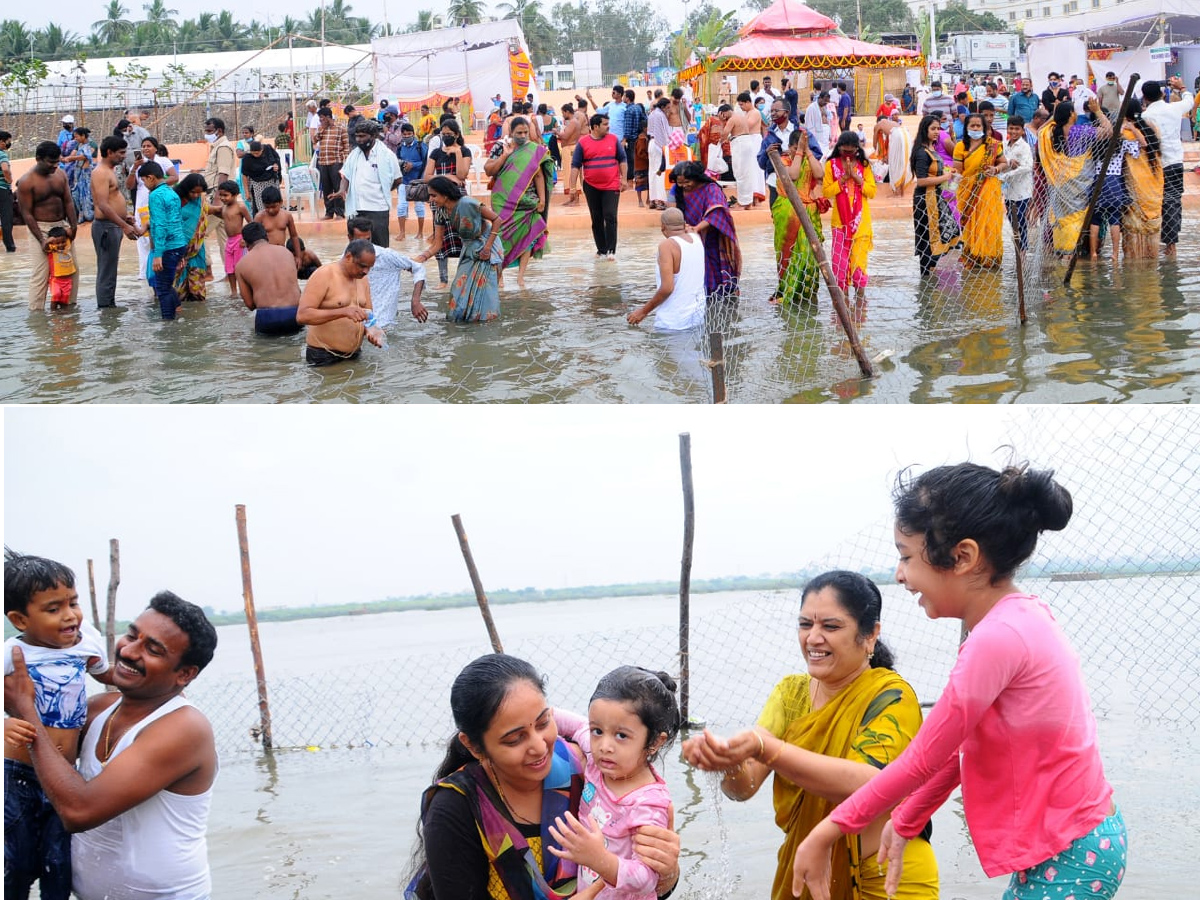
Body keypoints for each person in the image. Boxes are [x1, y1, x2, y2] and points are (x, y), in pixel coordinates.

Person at [793, 463, 1126, 900]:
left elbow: (921, 758)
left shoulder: (997, 639)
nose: (899, 573)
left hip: (1070, 850)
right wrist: (909, 816)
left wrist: (826, 832)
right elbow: (958, 746)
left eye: (907, 556)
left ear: (963, 557)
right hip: (1075, 840)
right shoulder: (1017, 619)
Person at [683, 570, 939, 900]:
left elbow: (871, 783)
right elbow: (742, 788)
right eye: (806, 625)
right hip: (808, 871)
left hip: (888, 876)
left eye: (830, 626)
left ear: (870, 635)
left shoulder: (891, 696)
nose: (813, 638)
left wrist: (768, 749)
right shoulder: (790, 694)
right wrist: (724, 761)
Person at [404, 653, 681, 900]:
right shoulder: (455, 809)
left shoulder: (587, 768)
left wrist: (667, 871)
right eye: (515, 738)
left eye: (543, 723)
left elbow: (643, 884)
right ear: (474, 746)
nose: (539, 746)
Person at [4, 590, 219, 900]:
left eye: (153, 650)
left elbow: (79, 811)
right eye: (131, 635)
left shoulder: (184, 728)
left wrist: (26, 709)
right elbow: (29, 765)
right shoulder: (96, 710)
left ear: (184, 674)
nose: (129, 651)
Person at [4, 549, 113, 900]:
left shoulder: (86, 643)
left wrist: (166, 693)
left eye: (73, 603)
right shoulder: (11, 654)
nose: (70, 616)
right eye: (53, 609)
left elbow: (110, 676)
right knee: (16, 864)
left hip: (64, 775)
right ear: (21, 620)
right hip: (16, 774)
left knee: (59, 865)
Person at [548, 667, 679, 899]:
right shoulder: (598, 759)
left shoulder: (648, 803)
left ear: (654, 743)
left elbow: (646, 880)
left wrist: (599, 859)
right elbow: (574, 725)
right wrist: (539, 715)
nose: (604, 745)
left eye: (621, 736)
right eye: (597, 730)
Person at [414, 176, 503, 323]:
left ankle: (485, 326)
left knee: (485, 294)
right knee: (457, 290)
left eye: (434, 195)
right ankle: (464, 324)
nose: (431, 199)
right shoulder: (440, 212)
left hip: (488, 248)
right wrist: (419, 259)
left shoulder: (468, 203)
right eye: (429, 195)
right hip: (469, 249)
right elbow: (437, 244)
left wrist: (487, 249)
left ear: (445, 194)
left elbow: (497, 220)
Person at [1038, 99, 1113, 256]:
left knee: (1062, 220)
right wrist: (1098, 110)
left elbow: (1039, 130)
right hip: (1079, 186)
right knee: (1075, 219)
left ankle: (1063, 253)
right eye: (1074, 111)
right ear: (1071, 115)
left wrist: (1056, 114)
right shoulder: (1079, 132)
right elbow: (1109, 131)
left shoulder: (1047, 133)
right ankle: (1072, 255)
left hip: (1058, 186)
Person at [296, 239, 385, 365]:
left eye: (369, 268)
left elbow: (368, 315)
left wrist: (372, 331)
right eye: (363, 266)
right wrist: (343, 312)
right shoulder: (324, 275)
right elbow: (302, 316)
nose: (366, 272)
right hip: (324, 355)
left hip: (354, 354)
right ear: (348, 257)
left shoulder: (362, 279)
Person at [485, 117, 553, 281]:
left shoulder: (535, 150)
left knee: (530, 234)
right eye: (519, 133)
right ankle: (499, 277)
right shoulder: (501, 146)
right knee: (500, 236)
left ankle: (520, 277)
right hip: (504, 201)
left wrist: (542, 200)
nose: (522, 136)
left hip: (528, 201)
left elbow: (539, 176)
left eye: (525, 132)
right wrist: (504, 156)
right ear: (511, 132)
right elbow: (488, 169)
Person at [17, 142, 78, 311]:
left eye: (57, 161)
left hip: (62, 226)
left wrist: (73, 227)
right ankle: (36, 315)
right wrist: (41, 239)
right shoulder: (26, 182)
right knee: (40, 275)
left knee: (71, 270)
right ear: (38, 159)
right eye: (51, 162)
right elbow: (27, 214)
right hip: (40, 228)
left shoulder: (61, 175)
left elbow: (68, 201)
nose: (55, 165)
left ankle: (69, 309)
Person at [670, 161, 741, 301]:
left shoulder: (711, 189)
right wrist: (682, 227)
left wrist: (696, 228)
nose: (684, 186)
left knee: (713, 270)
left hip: (710, 238)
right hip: (687, 238)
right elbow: (672, 211)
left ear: (697, 178)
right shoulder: (676, 190)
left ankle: (718, 299)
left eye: (687, 182)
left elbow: (717, 212)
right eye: (680, 183)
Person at [770, 128, 826, 305]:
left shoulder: (810, 160)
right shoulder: (783, 161)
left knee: (810, 254)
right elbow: (793, 176)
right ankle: (786, 290)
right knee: (788, 253)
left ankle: (806, 295)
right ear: (789, 147)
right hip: (788, 215)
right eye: (795, 147)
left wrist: (807, 151)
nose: (797, 150)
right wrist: (799, 152)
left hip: (808, 213)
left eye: (800, 147)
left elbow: (820, 174)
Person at [627, 207, 705, 330]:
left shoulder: (667, 246)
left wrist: (643, 311)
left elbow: (667, 288)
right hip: (698, 318)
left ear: (662, 227)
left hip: (673, 323)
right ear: (684, 224)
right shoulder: (696, 238)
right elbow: (691, 231)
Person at [327, 120, 402, 247]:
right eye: (357, 136)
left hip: (378, 208)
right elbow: (346, 175)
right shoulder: (354, 155)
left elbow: (398, 179)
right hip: (356, 209)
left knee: (380, 248)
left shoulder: (387, 155)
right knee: (357, 249)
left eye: (362, 136)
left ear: (373, 136)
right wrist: (341, 190)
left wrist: (381, 190)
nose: (359, 139)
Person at [1140, 78, 1193, 257]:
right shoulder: (1173, 109)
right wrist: (1182, 87)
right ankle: (1171, 244)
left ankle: (1157, 244)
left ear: (1145, 98)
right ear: (1162, 94)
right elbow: (1189, 101)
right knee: (1173, 201)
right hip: (1175, 162)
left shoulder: (1146, 116)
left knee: (1158, 202)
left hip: (1156, 165)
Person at [823, 131, 876, 300]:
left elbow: (872, 192)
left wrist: (856, 177)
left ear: (856, 150)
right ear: (838, 149)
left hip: (861, 222)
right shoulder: (831, 165)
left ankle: (860, 305)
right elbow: (826, 192)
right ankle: (843, 305)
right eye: (844, 152)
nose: (847, 156)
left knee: (859, 266)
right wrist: (844, 178)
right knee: (839, 266)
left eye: (850, 152)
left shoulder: (864, 165)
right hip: (839, 223)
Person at [346, 217, 427, 327]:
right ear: (350, 238)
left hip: (385, 325)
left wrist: (415, 301)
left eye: (368, 240)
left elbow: (418, 268)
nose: (364, 246)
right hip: (356, 325)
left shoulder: (386, 256)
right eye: (359, 241)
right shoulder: (344, 261)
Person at [89, 135, 140, 309]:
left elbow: (110, 201)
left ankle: (109, 306)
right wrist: (124, 225)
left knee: (110, 270)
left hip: (113, 225)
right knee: (106, 271)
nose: (124, 156)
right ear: (109, 152)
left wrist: (124, 218)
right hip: (106, 228)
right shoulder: (100, 173)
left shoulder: (109, 170)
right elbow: (102, 204)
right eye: (121, 153)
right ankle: (105, 310)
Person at [570, 115, 629, 260]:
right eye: (605, 124)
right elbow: (575, 166)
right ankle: (601, 249)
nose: (608, 126)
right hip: (591, 186)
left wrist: (624, 179)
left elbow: (622, 159)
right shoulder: (583, 143)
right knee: (596, 219)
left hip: (611, 185)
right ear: (595, 127)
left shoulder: (614, 140)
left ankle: (611, 250)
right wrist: (572, 187)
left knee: (610, 216)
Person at [953, 112, 1005, 270]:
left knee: (988, 223)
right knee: (971, 224)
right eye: (972, 126)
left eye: (978, 126)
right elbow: (958, 172)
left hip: (988, 190)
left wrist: (995, 169)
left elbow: (1004, 163)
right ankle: (973, 256)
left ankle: (989, 257)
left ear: (984, 127)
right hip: (968, 191)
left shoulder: (993, 144)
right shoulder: (960, 146)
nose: (975, 128)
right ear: (966, 127)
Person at [911, 115, 961, 275]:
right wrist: (945, 177)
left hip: (937, 197)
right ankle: (926, 273)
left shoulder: (931, 149)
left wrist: (948, 174)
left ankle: (929, 272)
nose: (937, 132)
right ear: (924, 130)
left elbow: (934, 173)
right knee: (927, 237)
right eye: (933, 129)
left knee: (951, 231)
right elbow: (921, 181)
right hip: (925, 200)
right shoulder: (921, 152)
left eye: (938, 128)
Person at [233, 222, 304, 336]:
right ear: (266, 237)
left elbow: (250, 305)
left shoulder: (241, 265)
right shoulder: (286, 252)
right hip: (295, 314)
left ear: (246, 243)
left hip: (267, 318)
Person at [1087, 113, 1141, 262]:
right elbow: (1139, 148)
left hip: (1097, 182)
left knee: (1095, 220)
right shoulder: (1121, 142)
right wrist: (1131, 128)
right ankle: (1115, 254)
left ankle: (1093, 253)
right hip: (1114, 182)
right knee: (1114, 218)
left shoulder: (1095, 143)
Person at [127, 138, 178, 293]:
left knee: (156, 235)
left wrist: (158, 184)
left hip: (157, 200)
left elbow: (175, 177)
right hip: (141, 203)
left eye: (149, 146)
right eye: (143, 146)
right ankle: (145, 272)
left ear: (156, 148)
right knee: (143, 239)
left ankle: (160, 268)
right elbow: (130, 186)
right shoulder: (138, 165)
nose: (146, 149)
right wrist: (135, 168)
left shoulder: (162, 161)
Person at [1119, 99, 1162, 259]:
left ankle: (1133, 262)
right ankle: (1151, 261)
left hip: (1135, 186)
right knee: (1152, 232)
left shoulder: (1125, 132)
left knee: (1134, 230)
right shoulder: (1152, 128)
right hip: (1153, 186)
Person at [994, 115, 1033, 254]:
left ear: (1023, 131)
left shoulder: (1024, 147)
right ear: (1007, 129)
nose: (1014, 131)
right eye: (1011, 128)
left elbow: (1028, 166)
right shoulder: (1004, 145)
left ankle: (1023, 250)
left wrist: (1007, 175)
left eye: (1017, 129)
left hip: (1022, 190)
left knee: (1020, 220)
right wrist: (1010, 161)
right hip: (1009, 191)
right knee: (1011, 218)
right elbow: (1002, 161)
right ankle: (1019, 247)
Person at [210, 180, 252, 296]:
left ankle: (244, 290)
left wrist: (246, 239)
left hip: (239, 240)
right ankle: (234, 292)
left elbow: (251, 223)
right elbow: (212, 211)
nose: (223, 198)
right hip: (229, 241)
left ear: (235, 195)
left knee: (239, 267)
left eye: (226, 195)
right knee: (229, 268)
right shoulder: (224, 208)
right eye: (221, 195)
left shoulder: (240, 207)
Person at [254, 186, 303, 269]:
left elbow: (294, 236)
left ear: (280, 202)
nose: (270, 210)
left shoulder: (287, 216)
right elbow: (253, 238)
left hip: (282, 253)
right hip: (266, 255)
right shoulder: (259, 217)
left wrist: (298, 256)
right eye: (267, 207)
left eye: (273, 207)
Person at [314, 108, 350, 219]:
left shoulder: (340, 128)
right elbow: (315, 140)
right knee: (326, 188)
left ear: (328, 117)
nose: (320, 120)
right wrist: (321, 130)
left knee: (337, 187)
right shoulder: (321, 129)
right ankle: (329, 213)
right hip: (323, 162)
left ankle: (339, 212)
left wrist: (344, 161)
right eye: (320, 118)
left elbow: (346, 146)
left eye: (322, 118)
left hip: (336, 162)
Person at [397, 123, 428, 240]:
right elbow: (398, 160)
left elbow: (426, 162)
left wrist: (413, 165)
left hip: (418, 180)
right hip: (404, 180)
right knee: (401, 206)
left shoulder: (421, 146)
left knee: (419, 206)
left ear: (413, 134)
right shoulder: (400, 147)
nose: (407, 136)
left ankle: (420, 233)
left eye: (409, 134)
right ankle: (402, 232)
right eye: (404, 134)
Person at [60, 127, 96, 223]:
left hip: (86, 174)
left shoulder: (89, 145)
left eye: (76, 137)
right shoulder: (80, 145)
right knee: (77, 194)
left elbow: (85, 156)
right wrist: (65, 158)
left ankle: (89, 214)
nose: (75, 139)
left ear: (83, 136)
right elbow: (73, 155)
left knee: (86, 195)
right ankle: (82, 214)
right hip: (79, 174)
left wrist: (71, 159)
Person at [239, 140, 282, 218]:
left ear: (262, 150)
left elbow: (276, 160)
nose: (255, 155)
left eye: (257, 153)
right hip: (256, 185)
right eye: (253, 153)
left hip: (271, 182)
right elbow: (244, 175)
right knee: (259, 208)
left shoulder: (268, 150)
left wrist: (276, 166)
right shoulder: (247, 158)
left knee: (274, 203)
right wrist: (247, 192)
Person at [423, 119, 472, 186]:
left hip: (457, 189)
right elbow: (426, 178)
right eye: (443, 134)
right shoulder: (436, 152)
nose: (446, 136)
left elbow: (461, 176)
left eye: (449, 134)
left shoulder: (465, 151)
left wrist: (458, 153)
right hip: (440, 189)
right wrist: (448, 177)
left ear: (457, 134)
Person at [646, 97, 672, 211]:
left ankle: (652, 200)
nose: (669, 110)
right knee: (660, 172)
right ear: (662, 107)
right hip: (658, 144)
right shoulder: (661, 115)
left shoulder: (652, 114)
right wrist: (666, 146)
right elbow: (665, 132)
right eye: (667, 107)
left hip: (651, 143)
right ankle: (660, 201)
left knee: (652, 172)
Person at [41, 227, 77, 309]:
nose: (60, 245)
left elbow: (71, 236)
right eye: (58, 243)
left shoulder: (67, 245)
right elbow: (45, 248)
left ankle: (63, 315)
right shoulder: (52, 248)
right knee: (56, 296)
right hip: (56, 280)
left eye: (62, 242)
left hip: (67, 280)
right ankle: (53, 314)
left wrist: (68, 232)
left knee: (65, 300)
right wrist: (47, 241)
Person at [0, 130, 15, 252]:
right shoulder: (2, 155)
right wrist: (9, 180)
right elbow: (5, 169)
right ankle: (10, 247)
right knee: (6, 219)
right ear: (1, 142)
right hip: (3, 190)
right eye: (8, 141)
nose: (9, 144)